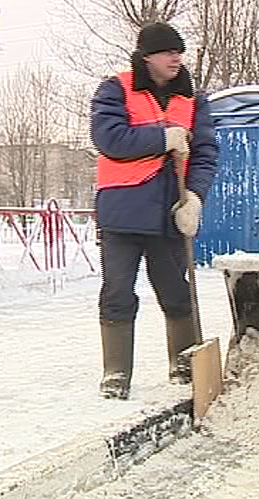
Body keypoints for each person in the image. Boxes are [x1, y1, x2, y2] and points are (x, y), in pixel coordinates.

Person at [90, 22, 219, 400]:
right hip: (123, 211)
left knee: (176, 292)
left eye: (179, 51)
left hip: (169, 211)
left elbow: (206, 152)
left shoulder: (194, 100)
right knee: (117, 292)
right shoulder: (115, 89)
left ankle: (184, 364)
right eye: (167, 52)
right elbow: (108, 139)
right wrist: (161, 138)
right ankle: (116, 373)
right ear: (146, 56)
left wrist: (194, 197)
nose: (176, 58)